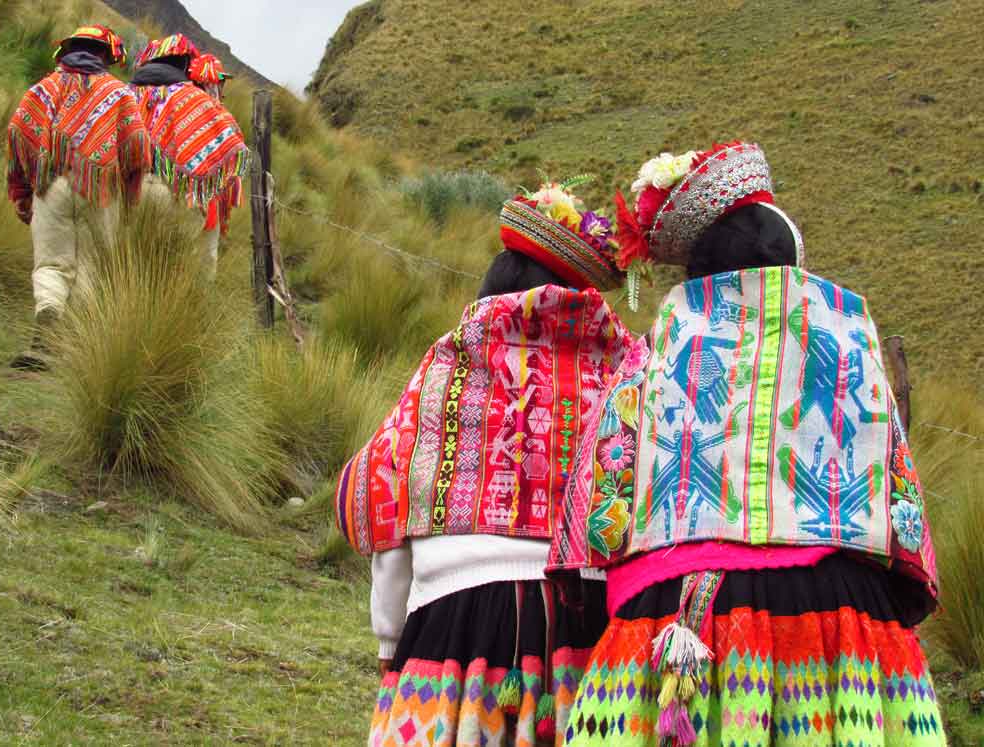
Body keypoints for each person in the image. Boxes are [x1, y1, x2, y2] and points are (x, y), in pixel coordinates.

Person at [547, 142, 944, 746]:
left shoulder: (649, 364)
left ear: (699, 275)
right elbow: (900, 519)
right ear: (794, 267)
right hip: (836, 624)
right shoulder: (851, 352)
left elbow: (596, 521)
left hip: (680, 621)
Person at [336, 179, 642, 746]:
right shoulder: (625, 373)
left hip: (457, 624)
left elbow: (390, 498)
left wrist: (389, 637)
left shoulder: (446, 368)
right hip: (591, 626)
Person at [6, 25, 149, 370]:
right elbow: (138, 148)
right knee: (92, 266)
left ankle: (49, 315)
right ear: (105, 55)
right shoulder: (119, 94)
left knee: (52, 263)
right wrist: (130, 196)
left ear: (69, 51)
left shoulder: (42, 90)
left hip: (50, 186)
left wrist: (22, 192)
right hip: (101, 190)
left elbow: (17, 134)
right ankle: (74, 349)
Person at [128, 38, 248, 278]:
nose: (217, 87)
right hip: (181, 195)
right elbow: (232, 146)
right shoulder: (195, 101)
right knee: (178, 266)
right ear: (185, 63)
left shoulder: (125, 93)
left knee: (134, 262)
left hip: (128, 191)